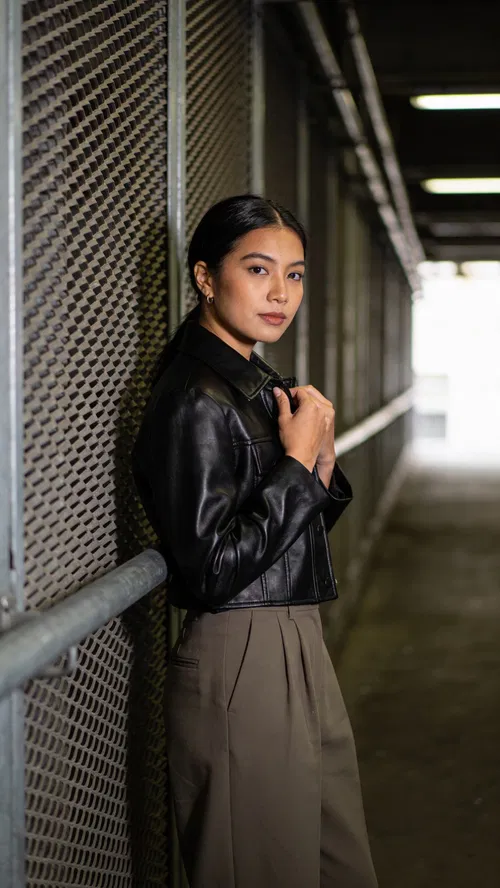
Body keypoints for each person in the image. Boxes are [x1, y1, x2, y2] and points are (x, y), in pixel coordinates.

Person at [132, 194, 378, 888]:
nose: (280, 293)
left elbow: (277, 547)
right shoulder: (194, 400)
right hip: (242, 656)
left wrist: (317, 472)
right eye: (259, 269)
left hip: (294, 638)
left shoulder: (255, 385)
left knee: (339, 868)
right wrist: (297, 466)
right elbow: (212, 571)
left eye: (295, 275)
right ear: (207, 278)